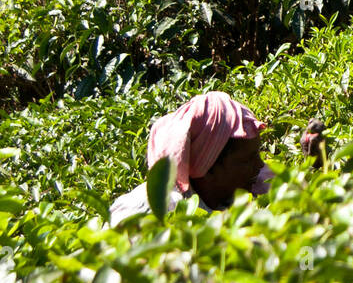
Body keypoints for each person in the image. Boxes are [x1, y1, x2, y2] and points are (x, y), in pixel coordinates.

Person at [109, 92, 275, 224]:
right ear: (207, 167)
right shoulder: (144, 212)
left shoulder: (243, 195)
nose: (259, 165)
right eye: (247, 160)